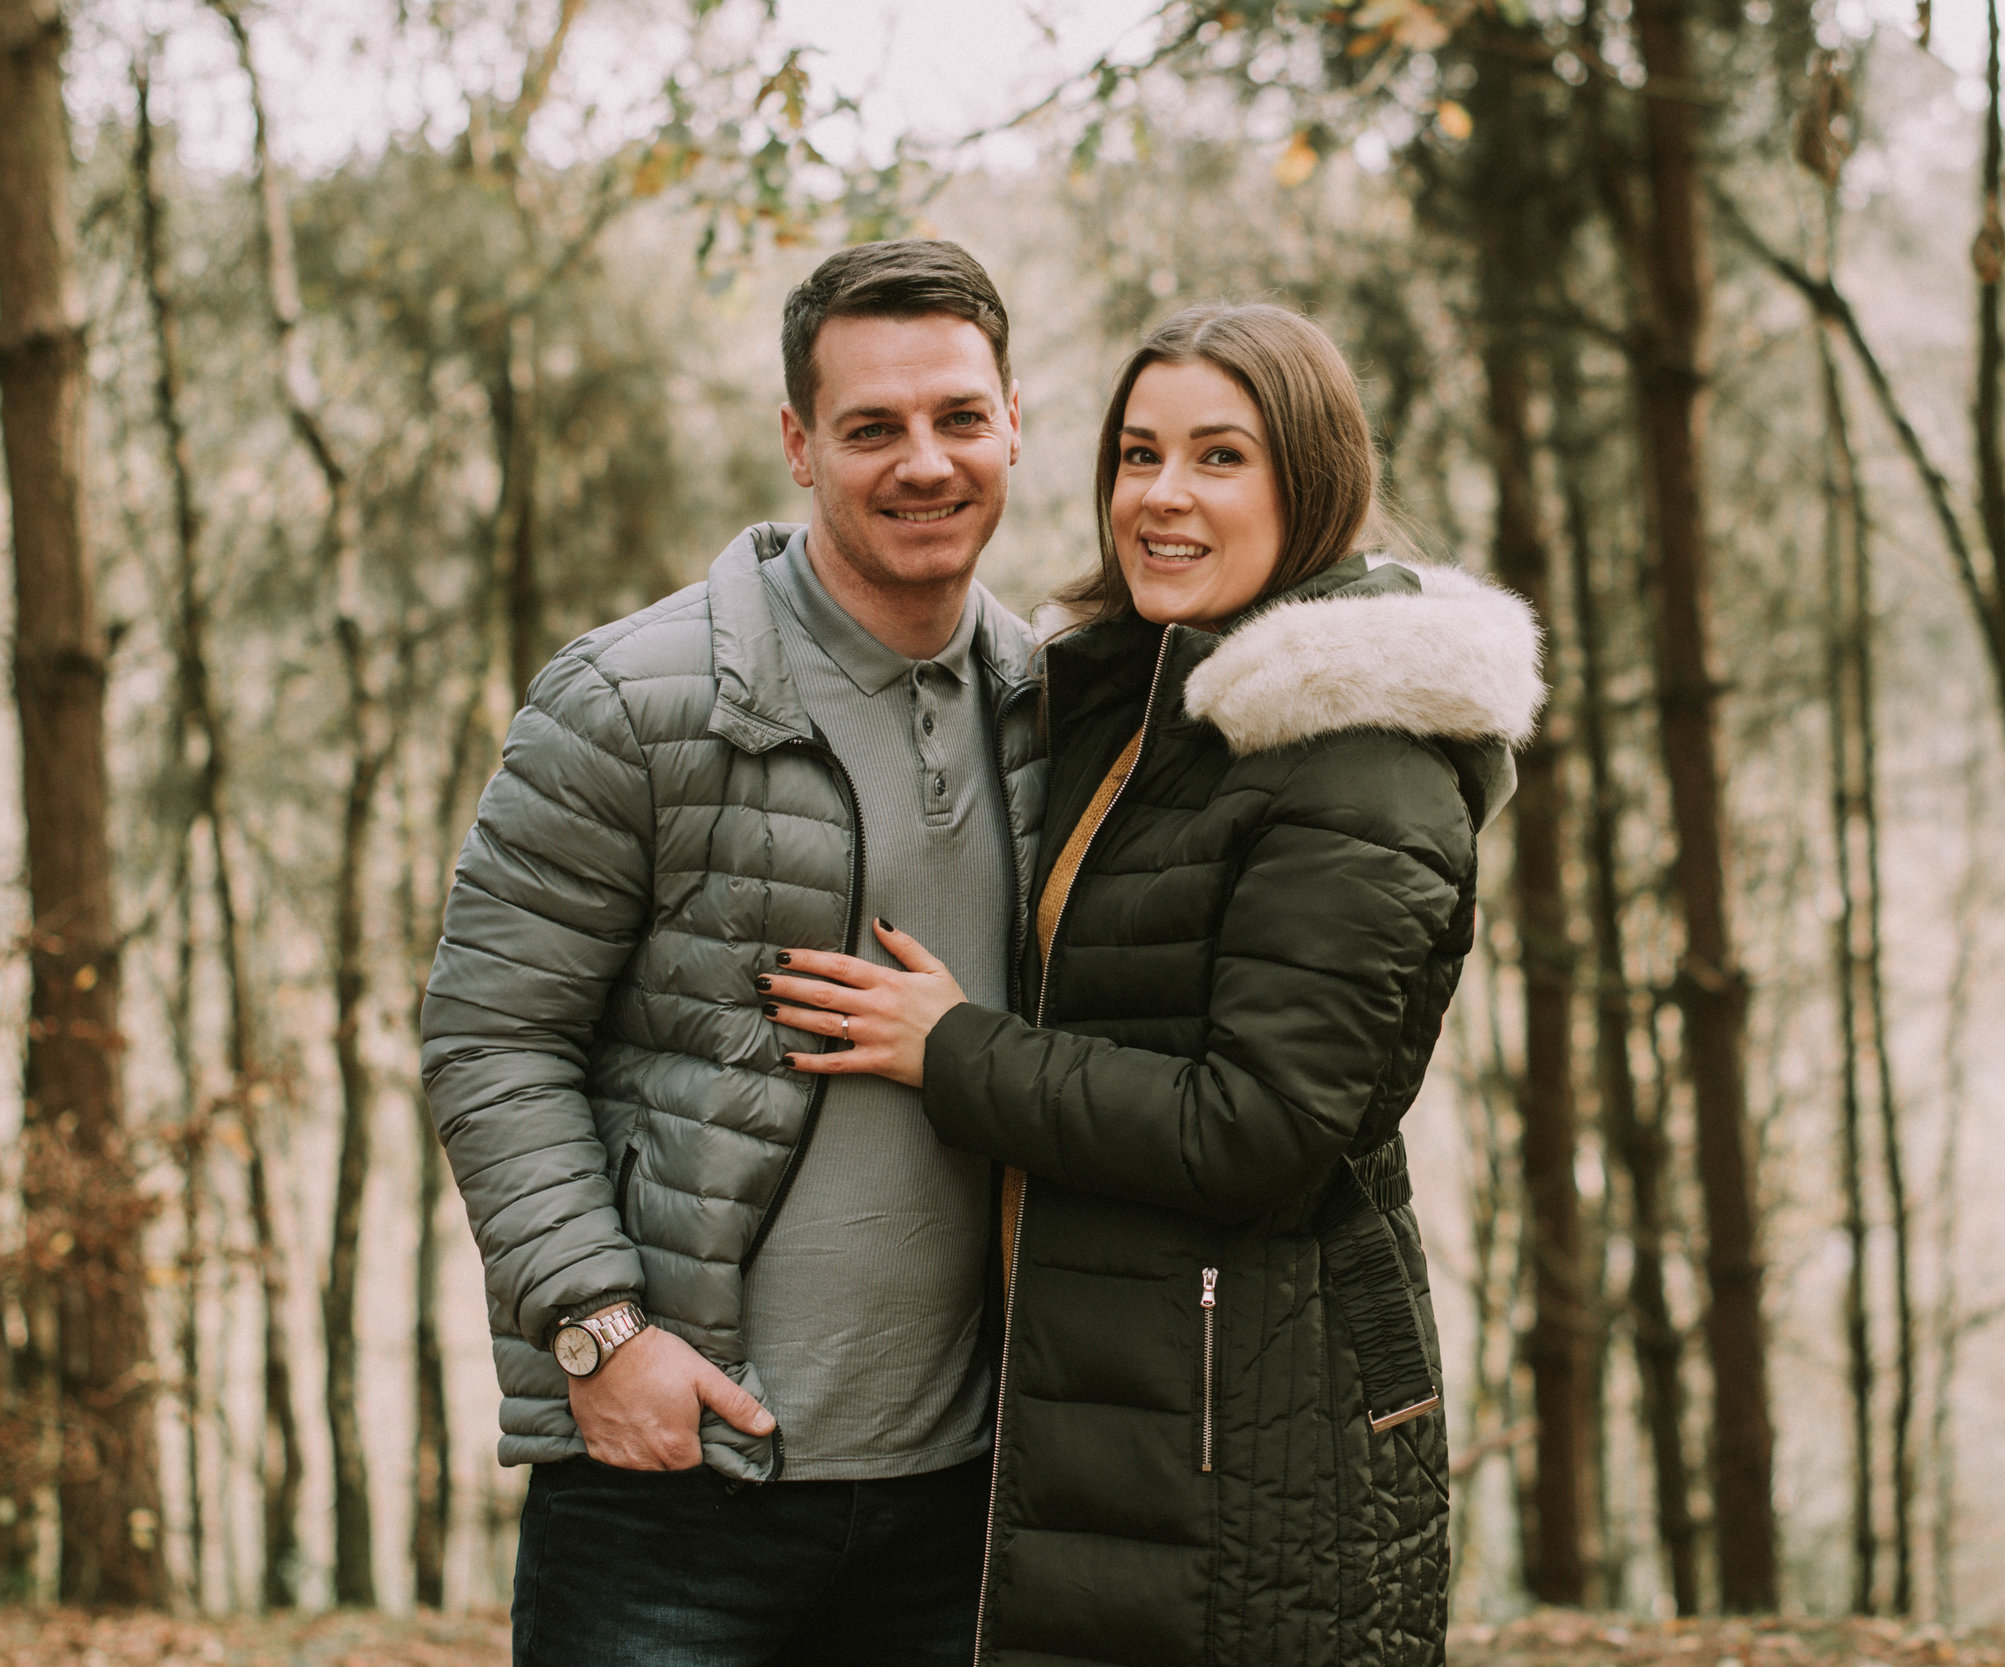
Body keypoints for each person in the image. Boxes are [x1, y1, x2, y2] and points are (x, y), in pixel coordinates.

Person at [757, 303, 1542, 1666]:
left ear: (1315, 480)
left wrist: (954, 1052)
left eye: (1219, 458)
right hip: (1128, 1399)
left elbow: (1262, 1127)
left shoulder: (1362, 753)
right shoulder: (1136, 705)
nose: (1162, 498)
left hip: (1252, 1415)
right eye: (1138, 454)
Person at [419, 238, 1049, 1666]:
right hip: (673, 1487)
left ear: (1017, 422)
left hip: (971, 1497)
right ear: (797, 445)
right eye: (870, 427)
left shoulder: (1062, 710)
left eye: (959, 416)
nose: (925, 462)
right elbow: (491, 1035)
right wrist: (598, 1332)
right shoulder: (629, 702)